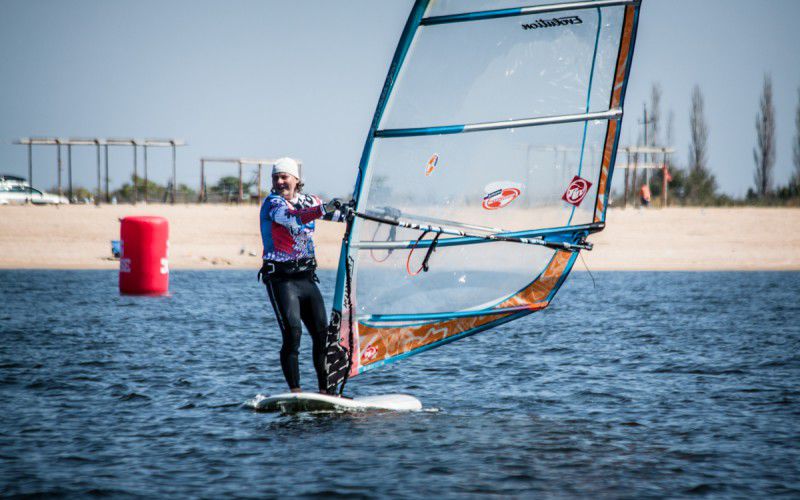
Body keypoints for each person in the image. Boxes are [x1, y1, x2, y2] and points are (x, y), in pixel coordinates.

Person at [258, 157, 342, 394]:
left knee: (323, 335)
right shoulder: (273, 203)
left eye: (284, 177)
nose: (279, 182)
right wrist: (324, 209)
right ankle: (296, 392)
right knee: (293, 334)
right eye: (276, 177)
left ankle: (326, 392)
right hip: (282, 280)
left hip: (306, 278)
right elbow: (292, 218)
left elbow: (339, 215)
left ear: (296, 179)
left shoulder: (309, 200)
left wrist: (365, 212)